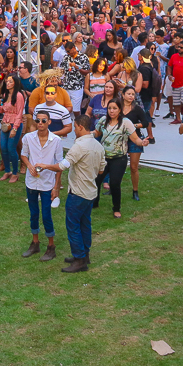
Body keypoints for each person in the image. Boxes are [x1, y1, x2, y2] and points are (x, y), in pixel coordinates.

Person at [58, 116, 106, 272]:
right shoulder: (98, 145)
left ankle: (79, 259)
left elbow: (63, 166)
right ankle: (85, 254)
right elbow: (101, 169)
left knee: (73, 226)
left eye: (74, 126)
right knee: (85, 224)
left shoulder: (79, 147)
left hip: (78, 192)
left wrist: (44, 165)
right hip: (90, 191)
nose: (73, 129)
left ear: (79, 127)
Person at [20, 109, 66, 262]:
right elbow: (23, 154)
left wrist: (56, 187)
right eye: (38, 120)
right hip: (32, 181)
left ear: (49, 122)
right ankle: (35, 243)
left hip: (47, 183)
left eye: (43, 120)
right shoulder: (28, 138)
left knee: (46, 215)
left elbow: (59, 165)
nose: (40, 123)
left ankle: (51, 247)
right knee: (33, 213)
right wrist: (29, 166)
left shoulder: (56, 141)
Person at [92, 98, 148, 218]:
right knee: (96, 180)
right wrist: (89, 135)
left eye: (114, 108)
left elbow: (135, 138)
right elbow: (97, 133)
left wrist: (141, 142)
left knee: (115, 184)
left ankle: (116, 208)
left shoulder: (126, 122)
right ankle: (94, 203)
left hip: (119, 158)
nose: (111, 111)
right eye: (109, 108)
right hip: (103, 158)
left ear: (119, 110)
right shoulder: (103, 120)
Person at [0, 74, 25, 183]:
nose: (7, 83)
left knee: (11, 148)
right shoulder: (5, 94)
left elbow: (19, 113)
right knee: (3, 147)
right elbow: (4, 110)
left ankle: (15, 172)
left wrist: (15, 128)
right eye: (7, 81)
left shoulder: (19, 96)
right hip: (5, 123)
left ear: (15, 83)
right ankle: (7, 171)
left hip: (14, 124)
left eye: (10, 81)